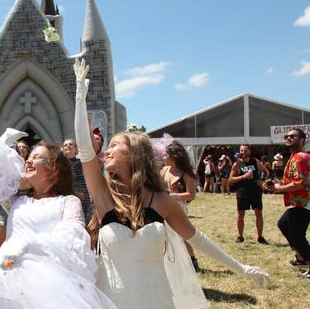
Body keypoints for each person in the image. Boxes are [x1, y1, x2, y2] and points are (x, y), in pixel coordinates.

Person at [73, 59, 268, 309]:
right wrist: (80, 95)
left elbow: (198, 240)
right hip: (112, 300)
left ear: (134, 155)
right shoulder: (103, 196)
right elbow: (85, 148)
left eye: (114, 146)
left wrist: (241, 268)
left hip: (158, 300)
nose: (106, 152)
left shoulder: (162, 201)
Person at [0, 140, 115, 308]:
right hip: (5, 272)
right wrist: (17, 177)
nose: (29, 161)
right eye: (29, 157)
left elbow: (73, 237)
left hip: (47, 282)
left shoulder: (68, 201)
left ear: (55, 170)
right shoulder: (16, 199)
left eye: (37, 157)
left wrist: (32, 244)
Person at [269, 128, 310, 278]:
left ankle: (306, 260)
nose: (288, 138)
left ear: (302, 140)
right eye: (286, 136)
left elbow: (299, 184)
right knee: (284, 225)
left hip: (303, 201)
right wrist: (280, 183)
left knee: (297, 235)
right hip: (298, 201)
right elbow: (296, 181)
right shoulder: (294, 157)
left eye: (293, 136)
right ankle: (300, 257)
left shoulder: (300, 157)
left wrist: (278, 188)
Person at [161, 140, 200, 272]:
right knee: (165, 234)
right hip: (164, 206)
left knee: (183, 235)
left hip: (179, 208)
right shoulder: (164, 170)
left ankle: (192, 260)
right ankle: (170, 261)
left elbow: (191, 195)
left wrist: (174, 196)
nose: (163, 157)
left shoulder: (187, 173)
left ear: (174, 157)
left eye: (165, 155)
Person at [229, 144, 270, 244]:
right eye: (241, 151)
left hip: (255, 191)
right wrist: (243, 176)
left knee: (259, 213)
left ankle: (260, 237)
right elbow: (230, 180)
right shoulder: (237, 164)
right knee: (241, 214)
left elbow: (266, 171)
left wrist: (262, 181)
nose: (243, 152)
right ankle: (240, 236)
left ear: (250, 152)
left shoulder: (255, 161)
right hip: (242, 191)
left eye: (245, 150)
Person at [62, 139, 94, 222]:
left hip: (83, 196)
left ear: (75, 149)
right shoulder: (60, 165)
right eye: (65, 145)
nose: (68, 146)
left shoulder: (82, 163)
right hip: (67, 195)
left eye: (71, 144)